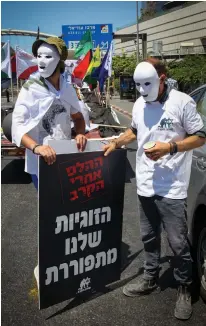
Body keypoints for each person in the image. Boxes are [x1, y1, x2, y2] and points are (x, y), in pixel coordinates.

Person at [103, 57, 206, 320]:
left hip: (172, 187)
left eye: (146, 84)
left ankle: (185, 288)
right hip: (146, 184)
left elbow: (200, 136)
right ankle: (150, 278)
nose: (140, 91)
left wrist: (170, 147)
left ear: (161, 79)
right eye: (137, 85)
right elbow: (134, 131)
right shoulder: (139, 103)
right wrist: (116, 142)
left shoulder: (182, 102)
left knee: (178, 242)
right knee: (149, 237)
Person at [12, 37, 87, 189]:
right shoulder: (30, 88)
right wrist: (36, 147)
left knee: (66, 206)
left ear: (60, 61)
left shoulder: (67, 89)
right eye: (39, 56)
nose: (41, 61)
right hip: (40, 162)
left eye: (47, 56)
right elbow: (17, 125)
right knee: (48, 208)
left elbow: (78, 118)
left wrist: (80, 133)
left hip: (65, 159)